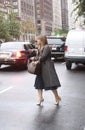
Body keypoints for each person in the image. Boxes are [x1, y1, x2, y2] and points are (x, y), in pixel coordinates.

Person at [30, 35, 61, 106]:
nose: (36, 41)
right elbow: (39, 57)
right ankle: (40, 98)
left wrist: (35, 59)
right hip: (40, 68)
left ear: (42, 40)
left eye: (37, 40)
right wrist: (34, 58)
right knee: (38, 84)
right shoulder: (39, 47)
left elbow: (43, 57)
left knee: (51, 84)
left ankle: (57, 97)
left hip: (47, 68)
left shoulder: (47, 47)